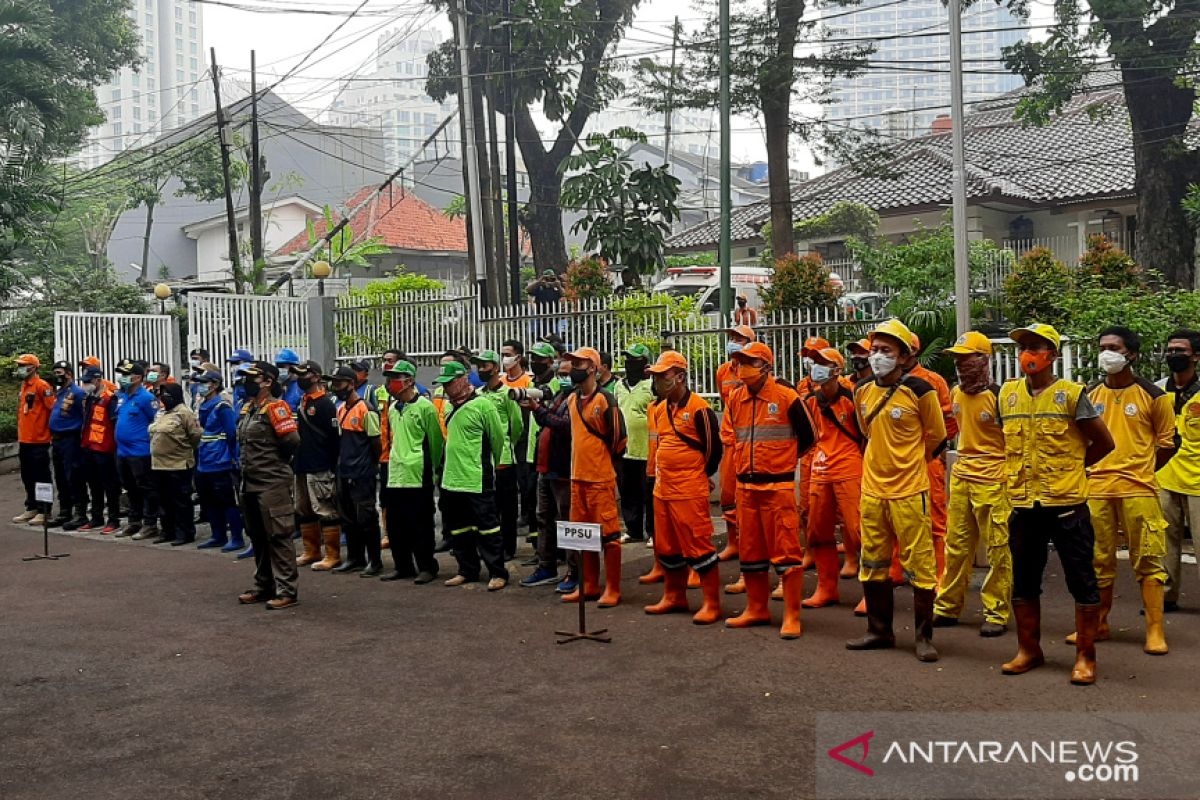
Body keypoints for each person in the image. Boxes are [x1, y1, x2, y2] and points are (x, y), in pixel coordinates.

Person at [998, 323, 1114, 685]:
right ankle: (1028, 649)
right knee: (1024, 581)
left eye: (1037, 347)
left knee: (1082, 581)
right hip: (1023, 504)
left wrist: (1074, 468)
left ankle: (1085, 656)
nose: (1028, 354)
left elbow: (1104, 443)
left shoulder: (1071, 394)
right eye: (1024, 347)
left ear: (1053, 355)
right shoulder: (1007, 394)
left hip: (1067, 505)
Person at [1066, 326, 1173, 656]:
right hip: (1097, 489)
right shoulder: (1090, 394)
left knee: (1149, 560)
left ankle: (1155, 630)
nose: (1106, 353)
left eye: (1113, 347)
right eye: (1102, 346)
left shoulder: (1154, 396)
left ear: (1132, 355)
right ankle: (1098, 622)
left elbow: (1168, 443)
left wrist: (1143, 470)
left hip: (1138, 489)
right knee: (1097, 560)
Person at [845, 319, 947, 662]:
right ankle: (878, 630)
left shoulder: (920, 390)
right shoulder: (861, 392)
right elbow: (865, 431)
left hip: (910, 491)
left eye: (886, 351)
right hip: (872, 491)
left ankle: (923, 637)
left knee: (919, 565)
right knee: (872, 562)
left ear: (904, 356)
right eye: (874, 350)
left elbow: (936, 437)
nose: (876, 357)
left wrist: (910, 465)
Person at [719, 342, 816, 639]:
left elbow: (809, 437)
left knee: (786, 553)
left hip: (778, 488)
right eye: (740, 362)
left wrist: (782, 461)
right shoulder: (735, 399)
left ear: (766, 366)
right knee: (751, 554)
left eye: (749, 362)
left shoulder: (786, 397)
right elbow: (734, 437)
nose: (742, 369)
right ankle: (756, 608)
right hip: (746, 489)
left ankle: (791, 615)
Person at [933, 332, 1012, 636]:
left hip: (994, 480)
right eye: (957, 358)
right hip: (963, 477)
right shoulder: (956, 394)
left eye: (967, 358)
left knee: (998, 549)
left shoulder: (998, 396)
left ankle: (996, 611)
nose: (961, 364)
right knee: (957, 546)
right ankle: (948, 606)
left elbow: (1013, 441)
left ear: (983, 360)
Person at [643, 351, 724, 624]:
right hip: (663, 489)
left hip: (688, 489)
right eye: (654, 376)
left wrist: (699, 475)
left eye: (662, 375)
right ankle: (674, 595)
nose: (657, 381)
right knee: (667, 547)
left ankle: (712, 603)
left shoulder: (699, 408)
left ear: (679, 377)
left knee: (698, 545)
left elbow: (714, 450)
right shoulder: (660, 408)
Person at [561, 346, 627, 606]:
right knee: (582, 535)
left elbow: (619, 440)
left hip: (600, 479)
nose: (574, 368)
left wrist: (602, 462)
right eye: (573, 363)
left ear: (593, 368)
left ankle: (612, 588)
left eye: (579, 364)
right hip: (577, 477)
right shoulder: (572, 400)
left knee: (610, 537)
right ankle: (589, 585)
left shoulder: (605, 400)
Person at [435, 361, 509, 590]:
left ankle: (497, 572)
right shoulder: (448, 408)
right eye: (444, 385)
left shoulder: (483, 406)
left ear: (463, 380)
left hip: (476, 478)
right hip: (451, 479)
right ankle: (467, 569)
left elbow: (498, 439)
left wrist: (498, 466)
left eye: (450, 383)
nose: (446, 388)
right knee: (458, 529)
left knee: (487, 528)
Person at [800, 347, 863, 608]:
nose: (816, 367)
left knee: (859, 531)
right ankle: (826, 588)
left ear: (837, 370)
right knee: (817, 530)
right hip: (821, 469)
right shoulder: (811, 401)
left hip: (849, 467)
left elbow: (865, 433)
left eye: (823, 363)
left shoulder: (852, 396)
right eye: (815, 362)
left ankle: (872, 593)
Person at [236, 362, 301, 610]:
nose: (246, 382)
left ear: (268, 382)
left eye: (253, 378)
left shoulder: (277, 407)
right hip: (250, 482)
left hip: (272, 481)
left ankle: (287, 590)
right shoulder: (249, 409)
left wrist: (277, 462)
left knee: (279, 535)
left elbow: (292, 440)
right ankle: (264, 585)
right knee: (258, 536)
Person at [381, 359, 444, 584]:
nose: (390, 383)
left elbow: (435, 442)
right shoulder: (392, 408)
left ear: (409, 381)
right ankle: (402, 566)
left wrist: (430, 468)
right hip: (396, 474)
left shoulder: (425, 407)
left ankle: (427, 566)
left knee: (421, 524)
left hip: (418, 475)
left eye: (395, 379)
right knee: (396, 525)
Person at [906, 333, 958, 583]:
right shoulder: (880, 384)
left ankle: (940, 575)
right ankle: (897, 572)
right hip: (897, 465)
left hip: (928, 460)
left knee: (936, 517)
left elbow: (949, 423)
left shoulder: (932, 381)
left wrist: (930, 453)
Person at [521, 357, 574, 590]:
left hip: (564, 470)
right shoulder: (559, 397)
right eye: (560, 374)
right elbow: (547, 423)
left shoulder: (578, 400)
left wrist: (538, 410)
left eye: (567, 374)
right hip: (546, 467)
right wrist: (538, 410)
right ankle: (546, 566)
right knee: (544, 519)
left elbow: (563, 426)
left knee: (568, 522)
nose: (562, 378)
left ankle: (574, 571)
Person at [711, 325, 757, 594]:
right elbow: (724, 402)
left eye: (740, 339)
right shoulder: (723, 372)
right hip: (730, 440)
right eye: (732, 339)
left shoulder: (754, 370)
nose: (734, 343)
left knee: (748, 502)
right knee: (728, 497)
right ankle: (732, 542)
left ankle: (751, 555)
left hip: (750, 443)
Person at [1157, 329, 1200, 611]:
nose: (1173, 355)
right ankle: (1165, 596)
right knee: (1164, 542)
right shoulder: (1157, 390)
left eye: (1180, 351)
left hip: (1198, 481)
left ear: (1196, 356)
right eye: (1170, 350)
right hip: (1164, 476)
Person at [327, 365, 384, 576]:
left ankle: (375, 561)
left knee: (366, 519)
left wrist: (369, 466)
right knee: (348, 519)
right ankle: (355, 558)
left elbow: (375, 442)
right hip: (345, 470)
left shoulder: (366, 409)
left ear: (351, 384)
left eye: (339, 383)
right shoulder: (341, 409)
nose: (335, 388)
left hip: (361, 473)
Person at [473, 349, 525, 561]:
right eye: (478, 366)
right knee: (487, 508)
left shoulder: (508, 394)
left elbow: (518, 425)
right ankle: (489, 546)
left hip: (503, 460)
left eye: (484, 366)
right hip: (483, 460)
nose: (480, 370)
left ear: (495, 367)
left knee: (507, 508)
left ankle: (508, 547)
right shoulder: (477, 395)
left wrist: (505, 445)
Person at [290, 361, 342, 571]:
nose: (299, 378)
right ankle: (311, 551)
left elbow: (333, 438)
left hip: (320, 465)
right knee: (303, 509)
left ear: (315, 376)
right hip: (302, 463)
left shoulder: (325, 404)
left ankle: (332, 554)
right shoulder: (303, 401)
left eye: (304, 374)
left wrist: (332, 465)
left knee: (325, 509)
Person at [193, 370, 246, 552]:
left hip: (221, 460)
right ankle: (218, 535)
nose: (200, 386)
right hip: (205, 460)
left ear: (214, 384)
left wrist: (233, 458)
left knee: (227, 501)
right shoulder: (204, 404)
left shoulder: (222, 406)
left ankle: (237, 537)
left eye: (204, 382)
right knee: (209, 501)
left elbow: (231, 434)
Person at [148, 382, 202, 545]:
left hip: (178, 464)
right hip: (158, 464)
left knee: (181, 501)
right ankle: (167, 531)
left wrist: (183, 450)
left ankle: (184, 533)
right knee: (164, 501)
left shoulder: (184, 413)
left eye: (167, 394)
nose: (163, 398)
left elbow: (195, 436)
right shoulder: (161, 413)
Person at [114, 360, 161, 540]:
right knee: (130, 488)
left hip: (140, 452)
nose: (122, 378)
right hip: (123, 452)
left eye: (126, 375)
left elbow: (155, 421)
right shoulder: (123, 396)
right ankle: (134, 521)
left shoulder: (146, 398)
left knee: (146, 488)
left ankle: (150, 524)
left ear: (138, 378)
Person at [615, 343, 654, 543]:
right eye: (628, 360)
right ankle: (633, 530)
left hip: (647, 449)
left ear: (645, 364)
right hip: (624, 449)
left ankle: (653, 533)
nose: (630, 364)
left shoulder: (652, 386)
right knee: (628, 493)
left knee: (649, 494)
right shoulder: (618, 386)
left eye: (635, 360)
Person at [12, 354, 54, 527]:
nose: (20, 368)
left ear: (33, 367)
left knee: (41, 476)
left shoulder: (42, 386)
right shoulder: (24, 386)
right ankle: (32, 506)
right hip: (25, 439)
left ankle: (45, 510)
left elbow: (52, 408)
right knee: (27, 476)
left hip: (39, 440)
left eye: (24, 365)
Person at [78, 366, 122, 533]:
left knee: (110, 486)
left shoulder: (110, 399)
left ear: (97, 380)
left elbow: (114, 423)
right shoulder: (90, 398)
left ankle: (113, 519)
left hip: (105, 449)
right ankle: (96, 518)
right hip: (89, 446)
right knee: (94, 485)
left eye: (88, 382)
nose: (85, 385)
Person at [47, 360, 88, 529]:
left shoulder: (77, 393)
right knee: (60, 476)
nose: (57, 376)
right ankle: (65, 511)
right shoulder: (59, 392)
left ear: (69, 374)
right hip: (56, 439)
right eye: (55, 373)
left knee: (74, 475)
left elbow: (84, 416)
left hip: (71, 438)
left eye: (60, 373)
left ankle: (80, 512)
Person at [274, 348, 304, 412]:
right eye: (278, 366)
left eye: (282, 366)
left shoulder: (301, 386)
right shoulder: (277, 385)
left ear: (293, 367)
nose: (279, 369)